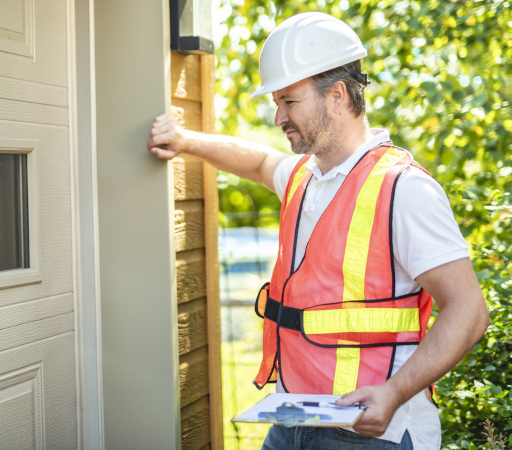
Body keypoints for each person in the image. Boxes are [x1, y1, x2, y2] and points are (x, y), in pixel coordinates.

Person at [148, 11, 489, 450]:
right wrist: (185, 141)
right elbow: (258, 161)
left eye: (290, 102)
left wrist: (393, 393)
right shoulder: (304, 177)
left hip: (372, 432)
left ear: (337, 96)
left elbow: (468, 311)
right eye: (277, 103)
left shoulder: (404, 188)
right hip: (292, 418)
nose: (278, 117)